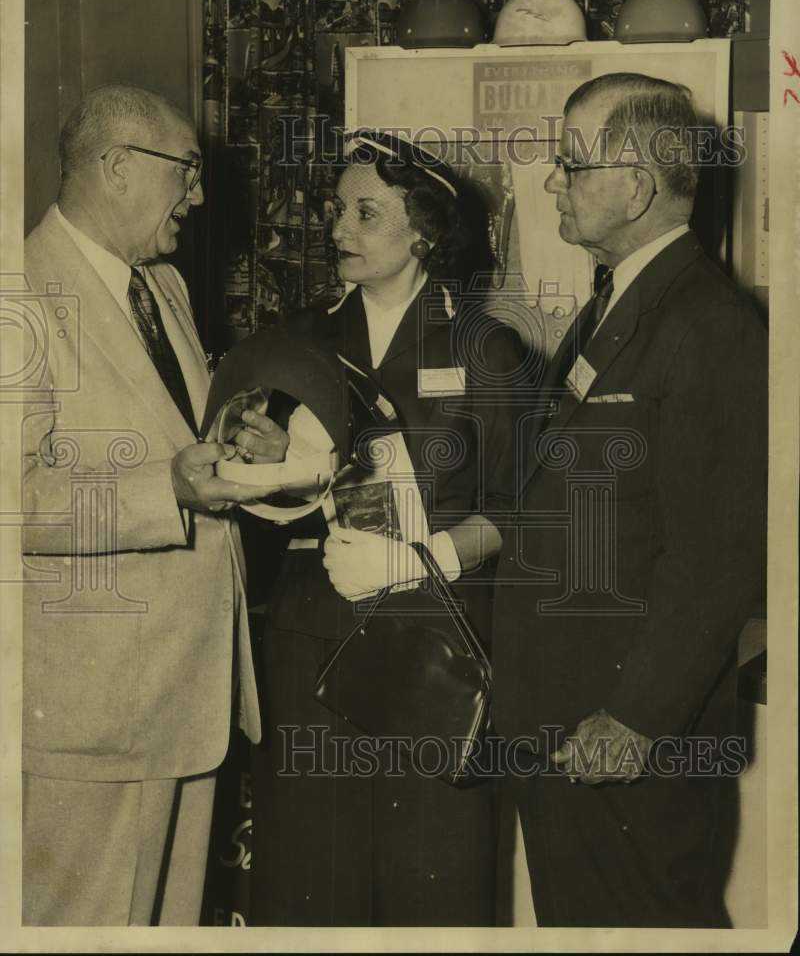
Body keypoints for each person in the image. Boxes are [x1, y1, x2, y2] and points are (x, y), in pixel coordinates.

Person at [491, 73, 767, 927]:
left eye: (571, 165)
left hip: (624, 736)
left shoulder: (709, 322)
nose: (553, 182)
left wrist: (637, 719)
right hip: (567, 716)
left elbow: (717, 553)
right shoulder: (614, 306)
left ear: (638, 187)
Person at [240, 131, 524, 926]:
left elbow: (520, 511)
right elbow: (254, 496)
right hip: (314, 640)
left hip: (435, 643)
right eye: (337, 210)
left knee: (432, 881)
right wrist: (268, 466)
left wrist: (425, 558)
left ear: (423, 231)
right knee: (311, 879)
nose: (338, 229)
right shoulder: (298, 338)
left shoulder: (487, 350)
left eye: (365, 213)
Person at [18, 84, 284, 926]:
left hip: (187, 692)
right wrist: (162, 488)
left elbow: (171, 435)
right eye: (188, 171)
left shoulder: (162, 286)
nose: (198, 196)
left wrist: (235, 444)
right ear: (118, 166)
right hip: (93, 713)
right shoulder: (19, 293)